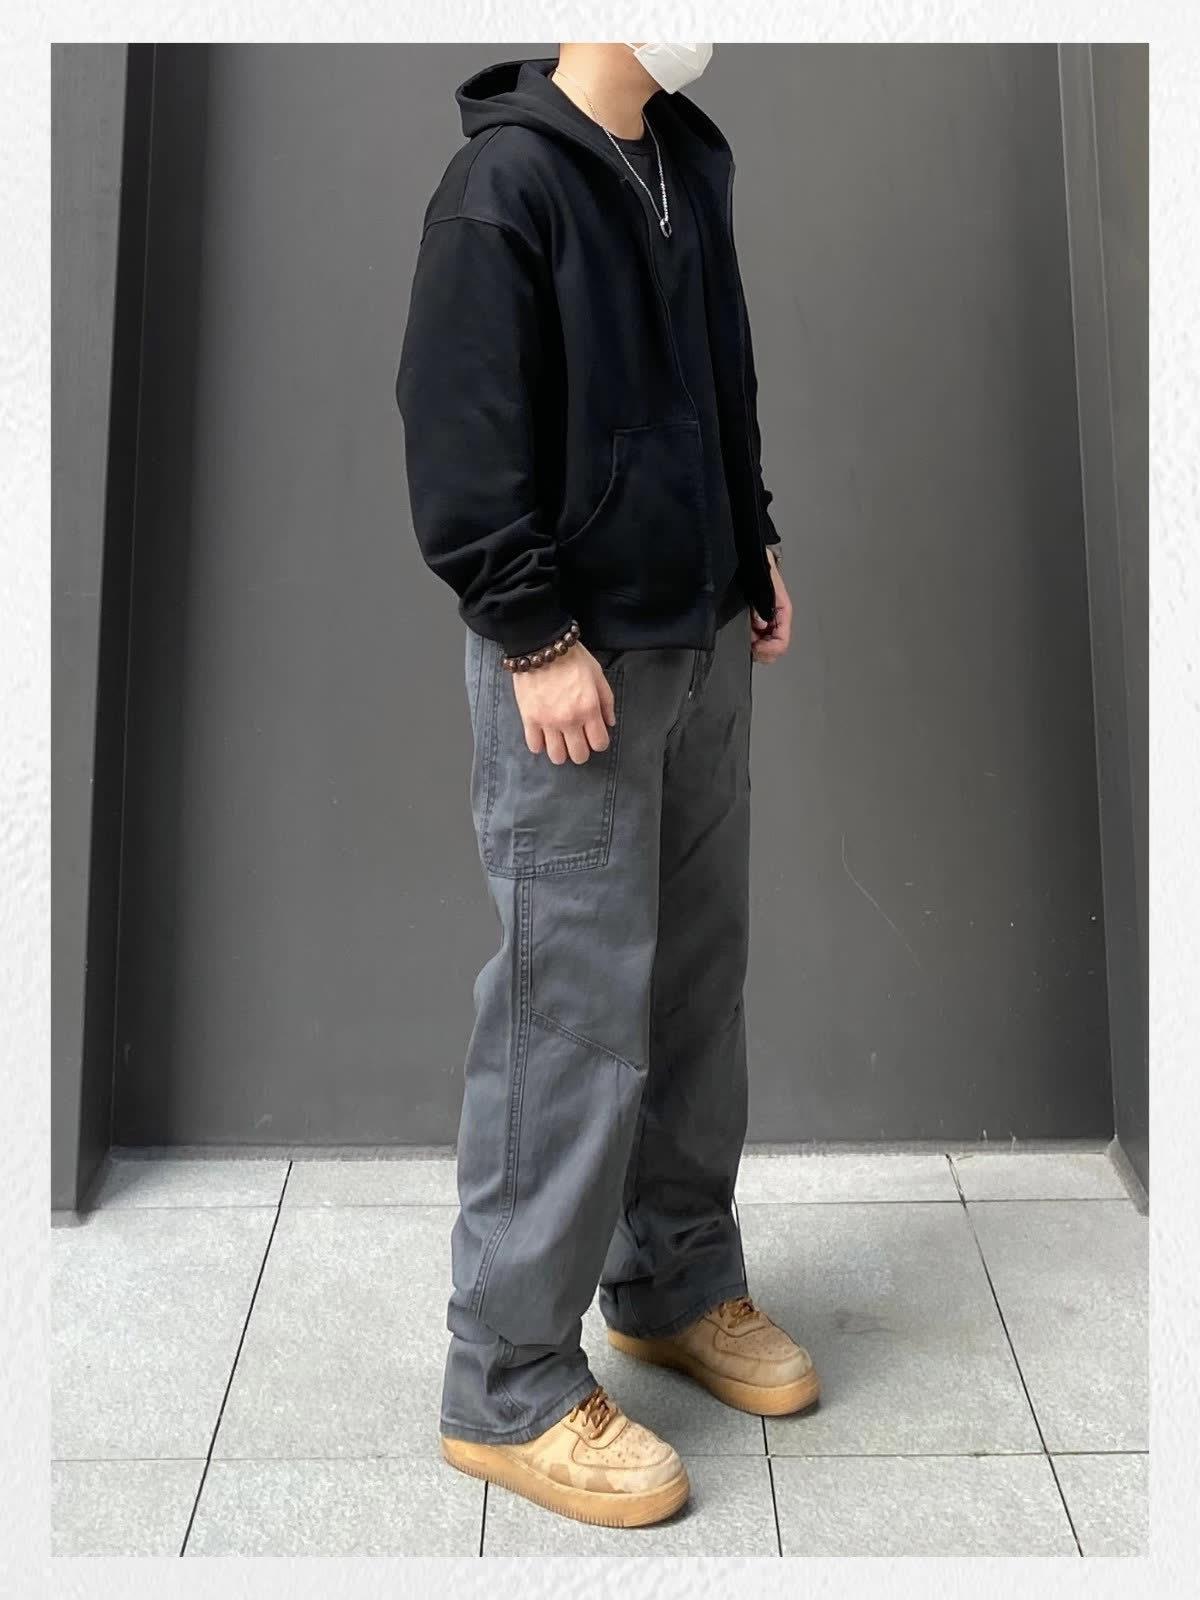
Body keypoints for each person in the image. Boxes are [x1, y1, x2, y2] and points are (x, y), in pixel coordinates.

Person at [395, 42, 817, 1529]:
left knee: (695, 979)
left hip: (697, 633)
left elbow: (718, 375)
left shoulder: (684, 159)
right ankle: (505, 1379)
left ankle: (675, 1278)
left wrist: (751, 537)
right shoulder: (503, 184)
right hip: (572, 661)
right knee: (566, 1009)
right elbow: (458, 424)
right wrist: (530, 632)